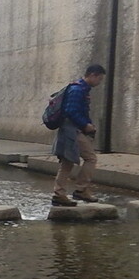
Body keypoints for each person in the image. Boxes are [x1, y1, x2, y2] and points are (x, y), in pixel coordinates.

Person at [52, 64, 107, 207]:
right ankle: (81, 189)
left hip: (70, 129)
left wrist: (88, 124)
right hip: (72, 130)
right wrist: (85, 125)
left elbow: (78, 111)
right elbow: (71, 111)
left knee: (67, 162)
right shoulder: (77, 90)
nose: (99, 82)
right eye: (99, 79)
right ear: (93, 75)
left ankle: (59, 194)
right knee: (90, 158)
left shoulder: (79, 88)